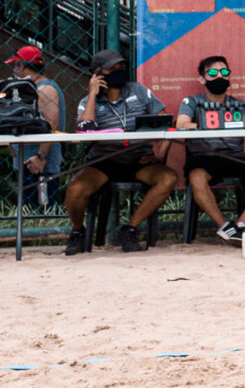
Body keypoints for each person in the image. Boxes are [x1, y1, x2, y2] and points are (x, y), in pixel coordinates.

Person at [62, 50, 184, 253]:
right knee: (75, 188)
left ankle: (130, 229)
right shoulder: (87, 101)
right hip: (103, 161)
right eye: (112, 68)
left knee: (168, 178)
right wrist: (93, 93)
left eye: (122, 67)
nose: (119, 71)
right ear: (97, 73)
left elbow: (165, 122)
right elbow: (84, 128)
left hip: (139, 159)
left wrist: (160, 153)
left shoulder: (139, 91)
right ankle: (77, 232)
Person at [176, 53, 245, 241]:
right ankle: (224, 226)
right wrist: (211, 124)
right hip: (204, 158)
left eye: (224, 72)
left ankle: (239, 225)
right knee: (196, 177)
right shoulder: (192, 102)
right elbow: (181, 124)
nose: (219, 76)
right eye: (213, 72)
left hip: (236, 158)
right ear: (202, 78)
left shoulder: (240, 105)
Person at [3, 45, 63, 213]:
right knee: (29, 208)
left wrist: (40, 156)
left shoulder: (45, 89)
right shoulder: (25, 88)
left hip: (39, 162)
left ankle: (48, 236)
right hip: (26, 159)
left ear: (24, 65)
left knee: (43, 208)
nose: (15, 70)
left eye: (17, 65)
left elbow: (51, 125)